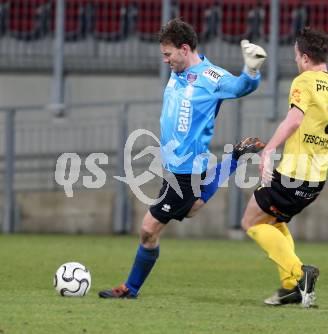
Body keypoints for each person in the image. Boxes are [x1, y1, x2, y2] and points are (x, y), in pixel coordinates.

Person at [99, 18, 267, 299]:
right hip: (176, 166)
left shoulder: (210, 77)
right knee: (190, 208)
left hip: (186, 169)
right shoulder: (178, 71)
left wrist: (251, 70)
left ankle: (130, 288)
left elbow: (240, 88)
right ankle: (235, 158)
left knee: (148, 230)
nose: (165, 61)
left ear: (184, 49)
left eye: (168, 54)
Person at [241, 27, 328, 308]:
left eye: (297, 55)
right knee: (275, 221)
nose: (296, 60)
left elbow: (295, 119)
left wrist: (269, 149)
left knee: (250, 222)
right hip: (315, 180)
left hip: (291, 175)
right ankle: (290, 288)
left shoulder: (304, 81)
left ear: (305, 57)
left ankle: (299, 274)